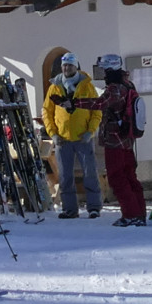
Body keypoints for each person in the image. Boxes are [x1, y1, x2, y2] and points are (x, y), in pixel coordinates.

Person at [43, 52, 103, 218]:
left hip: (83, 137)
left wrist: (90, 131)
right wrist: (53, 134)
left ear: (76, 66)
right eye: (64, 65)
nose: (66, 68)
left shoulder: (87, 86)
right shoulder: (54, 87)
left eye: (70, 65)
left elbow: (96, 110)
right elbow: (47, 112)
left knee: (90, 173)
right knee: (65, 176)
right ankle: (69, 209)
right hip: (63, 139)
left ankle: (94, 207)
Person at [95, 55, 148, 225]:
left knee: (117, 177)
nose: (103, 73)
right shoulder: (128, 84)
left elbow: (98, 104)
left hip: (115, 139)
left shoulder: (115, 88)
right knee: (130, 175)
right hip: (127, 139)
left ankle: (131, 214)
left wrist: (73, 104)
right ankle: (139, 213)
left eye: (104, 69)